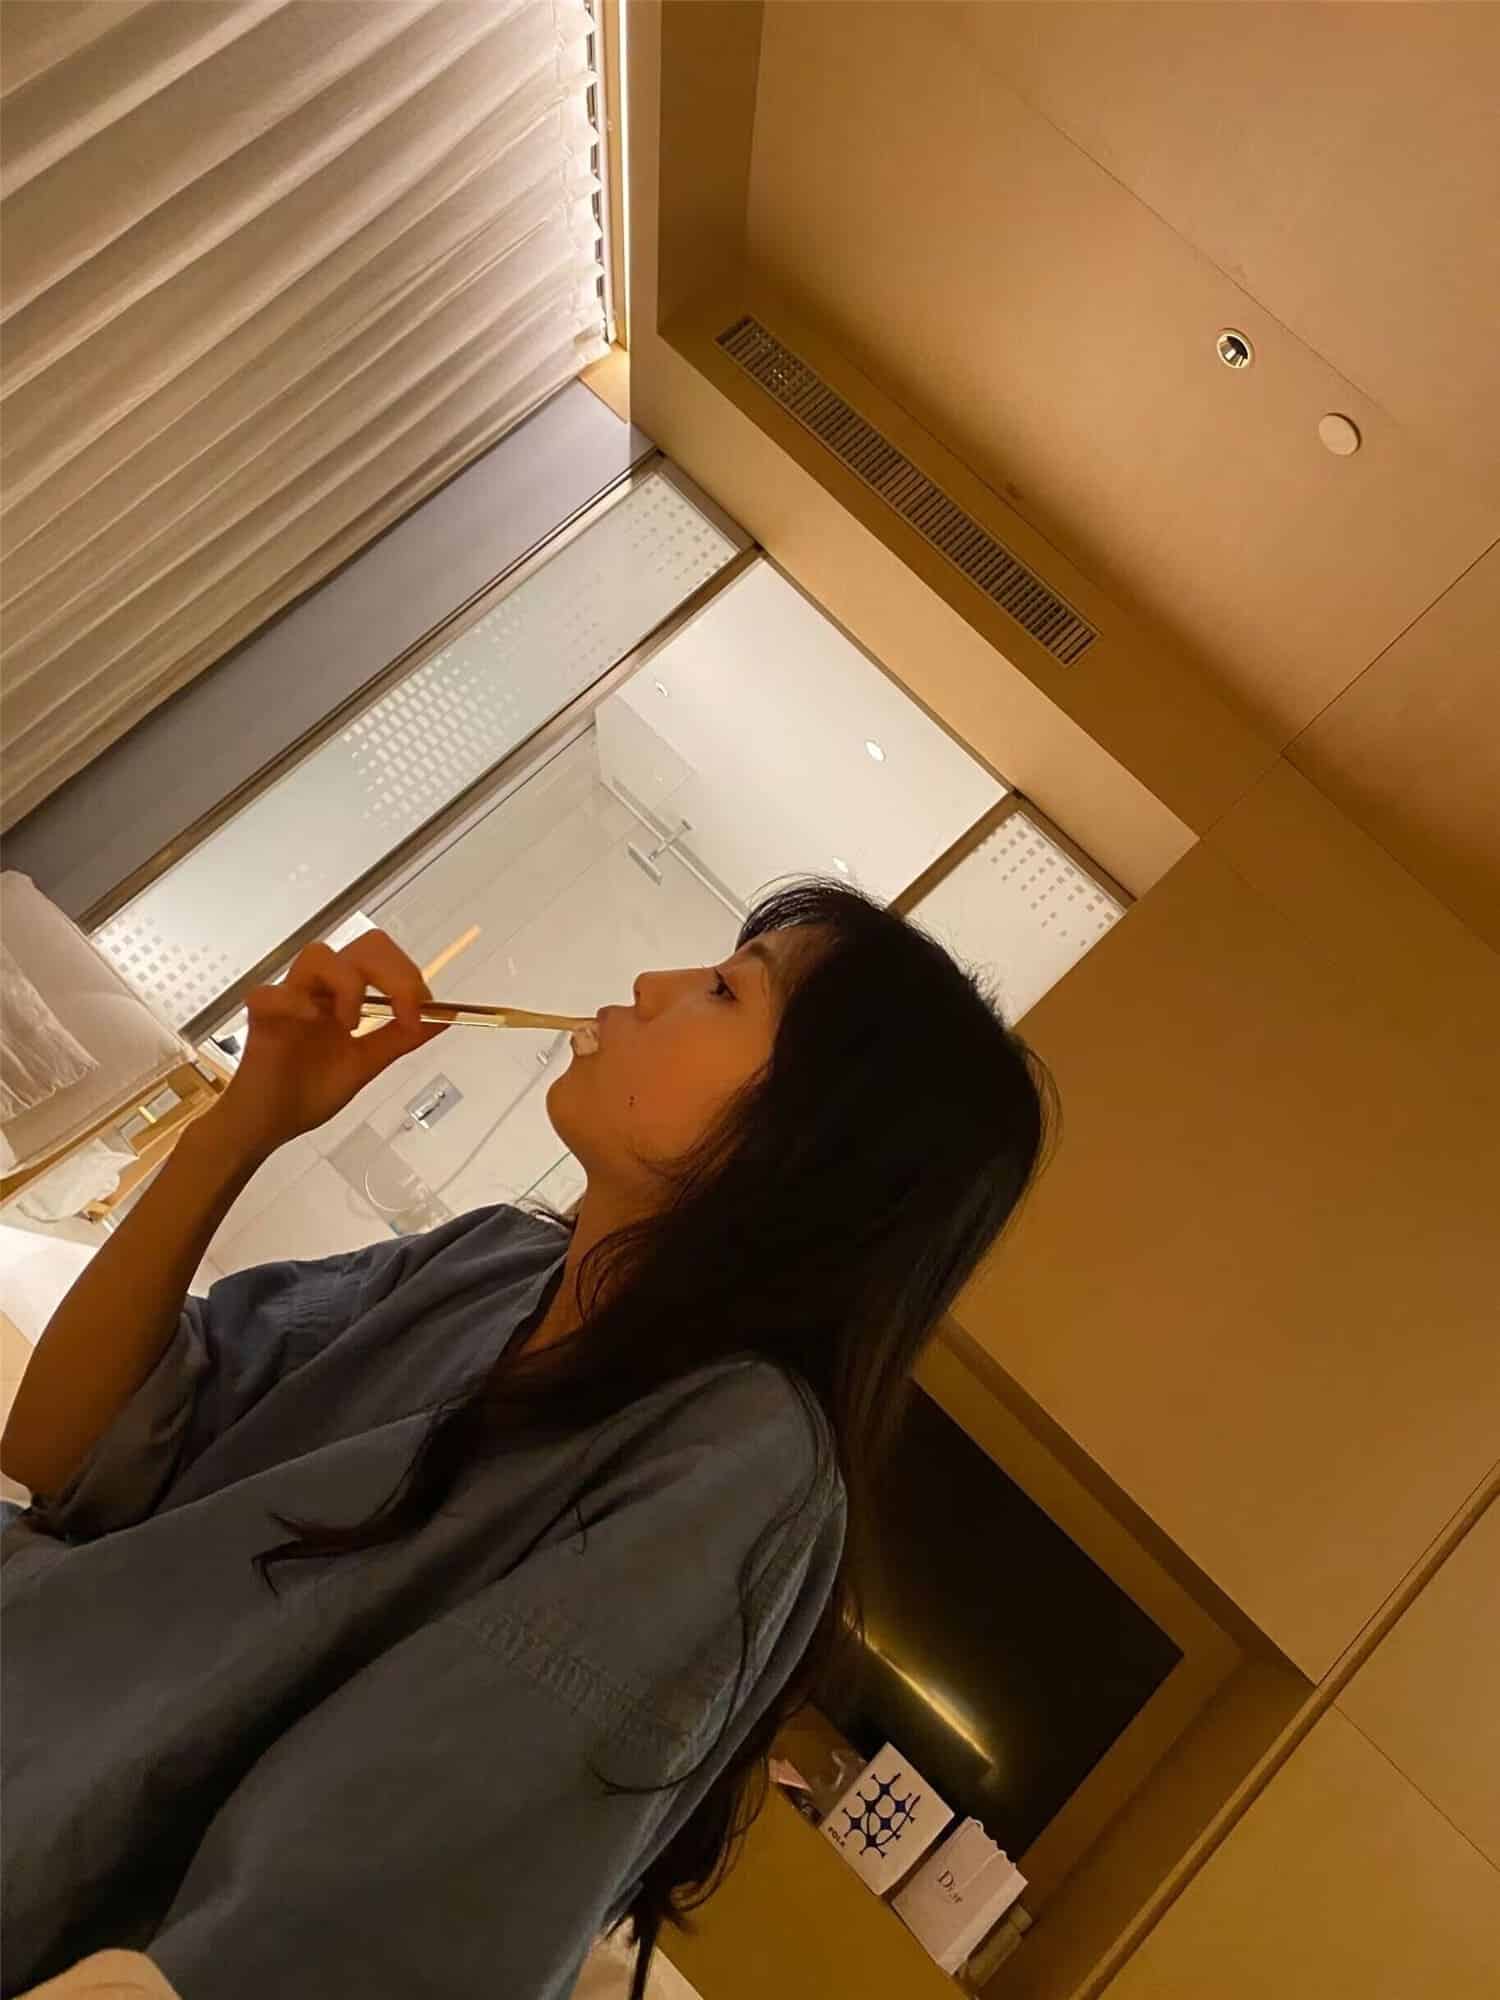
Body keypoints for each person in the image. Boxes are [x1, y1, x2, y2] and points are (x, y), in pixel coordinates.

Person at [2, 878, 1054, 1999]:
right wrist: (243, 1124)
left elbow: (366, 1914)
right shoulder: (492, 1260)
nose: (650, 984)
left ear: (817, 1140)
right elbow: (64, 1451)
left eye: (722, 990)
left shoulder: (741, 1459)